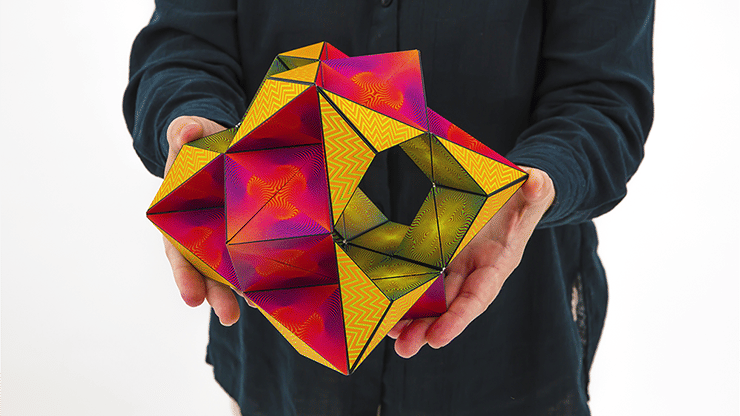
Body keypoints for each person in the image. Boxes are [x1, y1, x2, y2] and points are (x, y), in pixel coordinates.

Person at [124, 1, 654, 414]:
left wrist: (531, 185)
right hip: (279, 349)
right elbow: (185, 46)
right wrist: (194, 134)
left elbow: (602, 97)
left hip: (508, 339)